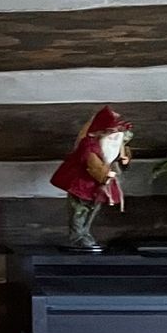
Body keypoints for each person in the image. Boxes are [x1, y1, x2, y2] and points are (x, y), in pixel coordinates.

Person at [50, 106, 133, 251]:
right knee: (79, 211)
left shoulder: (114, 144)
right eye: (112, 132)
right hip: (82, 185)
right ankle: (77, 237)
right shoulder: (89, 145)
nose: (116, 136)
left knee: (92, 210)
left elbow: (120, 153)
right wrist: (104, 174)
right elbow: (92, 164)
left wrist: (125, 159)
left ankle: (85, 233)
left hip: (99, 187)